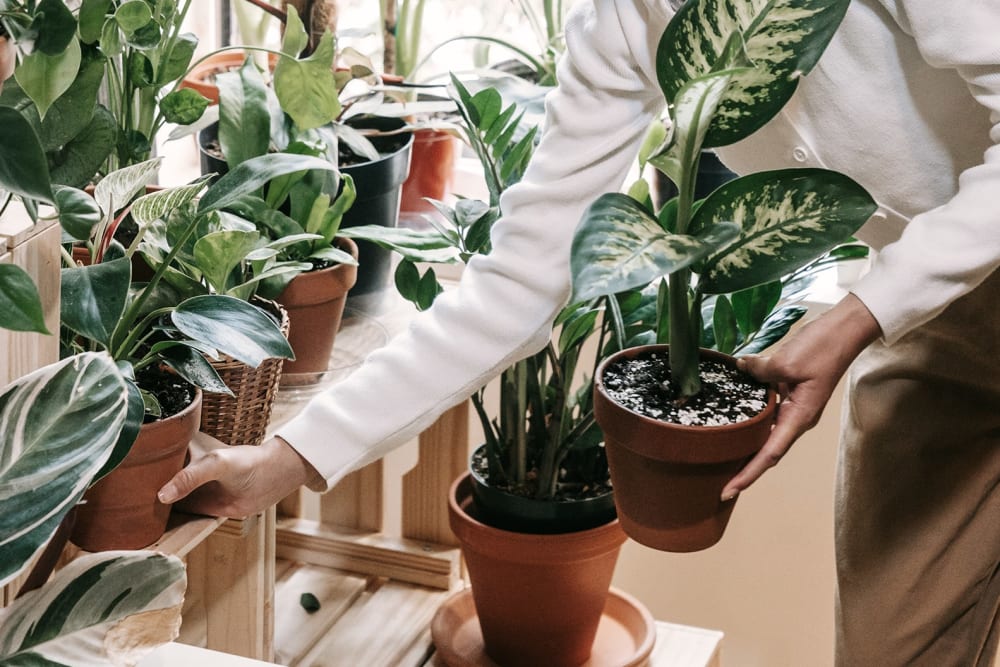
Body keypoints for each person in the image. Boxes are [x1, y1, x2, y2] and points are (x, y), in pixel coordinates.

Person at [158, 0, 1000, 664]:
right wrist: (286, 460)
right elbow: (526, 279)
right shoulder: (623, 21)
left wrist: (861, 313)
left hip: (902, 297)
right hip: (946, 322)